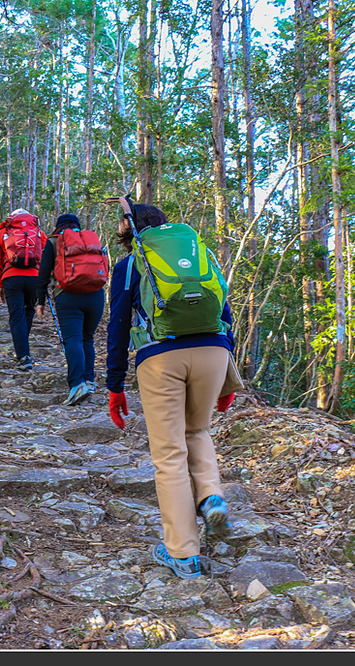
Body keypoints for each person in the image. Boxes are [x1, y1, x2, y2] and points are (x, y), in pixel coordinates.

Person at [105, 200, 237, 580]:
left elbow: (118, 326)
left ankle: (183, 553)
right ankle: (211, 495)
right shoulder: (201, 253)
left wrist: (115, 385)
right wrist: (227, 372)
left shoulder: (132, 265)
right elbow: (224, 312)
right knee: (198, 430)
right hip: (213, 351)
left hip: (161, 357)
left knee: (169, 454)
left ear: (132, 230)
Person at [35, 213, 106, 406]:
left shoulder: (53, 241)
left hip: (67, 295)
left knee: (72, 339)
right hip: (96, 294)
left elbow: (42, 275)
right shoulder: (90, 240)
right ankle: (89, 381)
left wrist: (40, 302)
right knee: (87, 338)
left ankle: (77, 385)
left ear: (58, 226)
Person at [0, 208, 48, 370]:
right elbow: (47, 257)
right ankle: (23, 350)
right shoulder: (38, 232)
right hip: (34, 277)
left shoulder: (4, 232)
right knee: (29, 311)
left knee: (16, 314)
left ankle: (23, 355)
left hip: (11, 277)